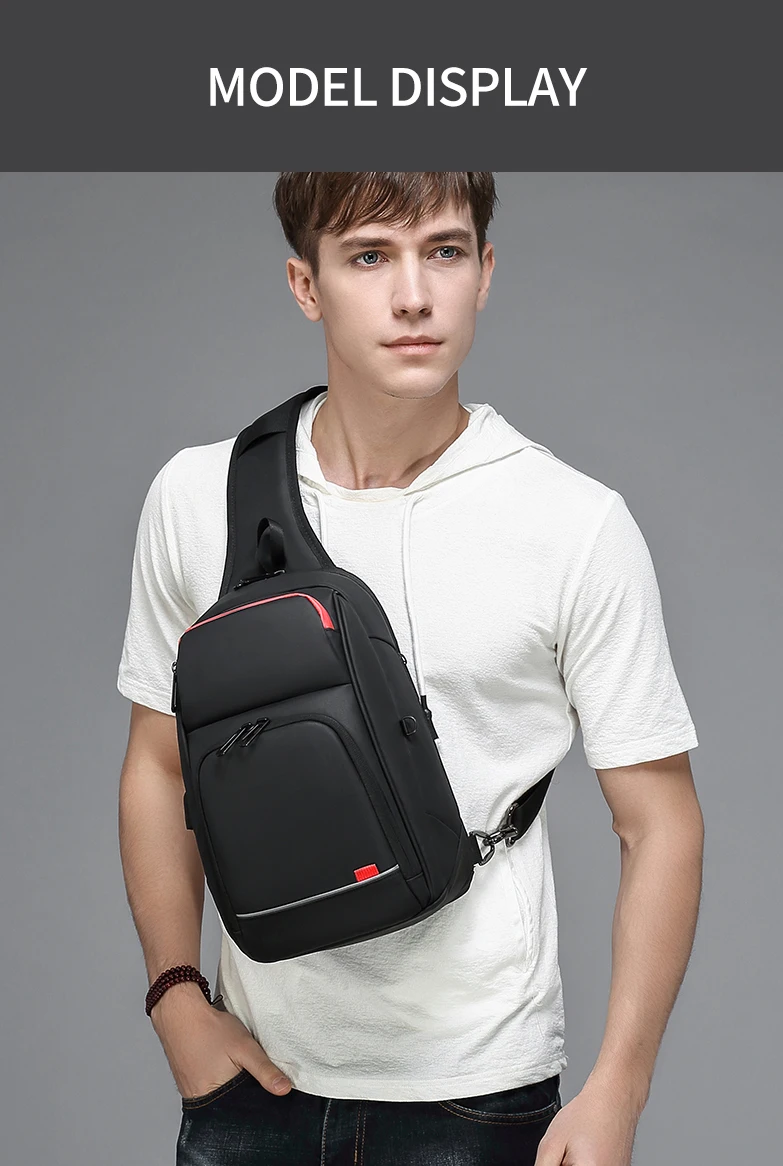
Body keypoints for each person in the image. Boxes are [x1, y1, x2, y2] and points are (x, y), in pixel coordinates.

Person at [117, 172, 704, 1166]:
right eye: (368, 256)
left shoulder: (571, 524)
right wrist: (176, 994)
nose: (414, 296)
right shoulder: (199, 495)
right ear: (306, 286)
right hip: (251, 1085)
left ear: (485, 271)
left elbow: (660, 822)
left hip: (477, 1096)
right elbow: (158, 763)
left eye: (443, 251)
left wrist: (619, 1088)